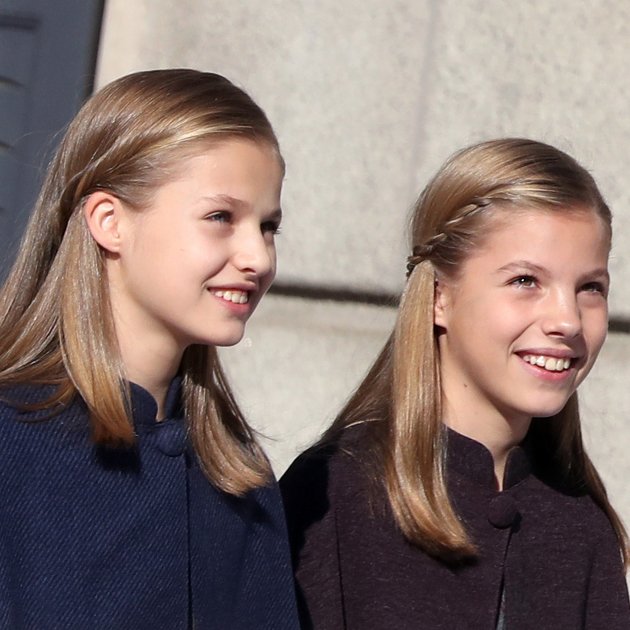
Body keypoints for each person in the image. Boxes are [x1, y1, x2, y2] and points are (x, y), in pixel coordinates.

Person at [280, 138, 630, 629]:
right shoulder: (338, 494)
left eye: (590, 288)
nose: (567, 320)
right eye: (526, 281)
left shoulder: (580, 526)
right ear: (440, 297)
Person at [0, 68, 299, 629]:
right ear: (110, 222)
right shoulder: (12, 445)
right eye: (220, 218)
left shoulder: (238, 475)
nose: (257, 257)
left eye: (268, 226)